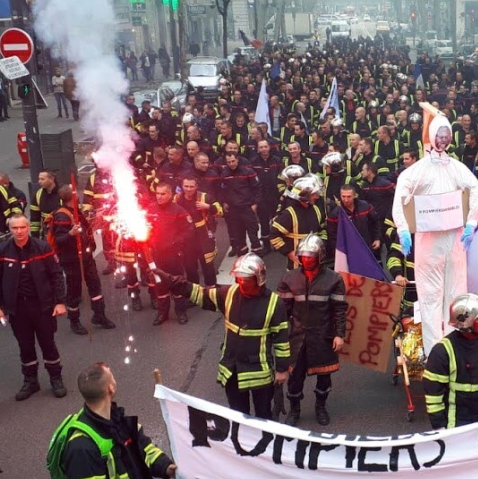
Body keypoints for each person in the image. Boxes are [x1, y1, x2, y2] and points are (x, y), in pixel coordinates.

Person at [392, 108, 478, 355]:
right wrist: (403, 228)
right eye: (439, 134)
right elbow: (400, 194)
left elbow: (476, 190)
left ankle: (456, 347)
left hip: (455, 242)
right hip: (429, 244)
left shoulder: (456, 167)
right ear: (432, 135)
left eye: (447, 135)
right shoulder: (418, 170)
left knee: (456, 295)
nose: (443, 139)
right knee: (430, 297)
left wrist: (471, 223)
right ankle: (436, 354)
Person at [167, 254, 290, 420]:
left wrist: (282, 369)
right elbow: (202, 295)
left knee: (263, 417)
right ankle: (241, 445)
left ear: (259, 279)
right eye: (239, 279)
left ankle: (264, 443)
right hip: (233, 369)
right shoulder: (229, 293)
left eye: (246, 280)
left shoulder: (275, 303)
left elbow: (281, 339)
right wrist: (180, 286)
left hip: (259, 372)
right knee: (238, 416)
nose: (242, 284)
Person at [0, 214, 67, 400]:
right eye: (15, 228)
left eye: (22, 227)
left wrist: (59, 301)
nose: (19, 231)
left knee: (48, 344)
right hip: (17, 308)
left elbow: (56, 275)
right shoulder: (1, 251)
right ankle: (31, 381)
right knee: (25, 346)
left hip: (43, 306)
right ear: (10, 229)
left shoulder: (43, 247)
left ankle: (55, 378)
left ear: (28, 227)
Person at [276, 235, 346, 427]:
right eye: (304, 256)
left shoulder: (334, 279)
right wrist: (277, 336)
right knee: (295, 378)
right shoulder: (289, 278)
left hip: (323, 336)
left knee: (324, 377)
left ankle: (320, 407)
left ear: (319, 256)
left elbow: (339, 309)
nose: (307, 260)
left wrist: (340, 334)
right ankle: (294, 410)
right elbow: (281, 311)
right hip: (297, 338)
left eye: (311, 256)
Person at [422, 294, 478, 428]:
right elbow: (433, 394)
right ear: (464, 320)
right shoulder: (442, 351)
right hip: (456, 418)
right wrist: (439, 426)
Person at [50, 185, 115, 335]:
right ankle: (74, 321)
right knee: (74, 291)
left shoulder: (75, 211)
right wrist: (71, 234)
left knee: (95, 286)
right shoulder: (62, 216)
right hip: (72, 260)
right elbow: (59, 239)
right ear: (73, 197)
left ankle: (99, 315)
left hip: (86, 257)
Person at [147, 182, 193, 326]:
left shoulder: (179, 211)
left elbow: (189, 230)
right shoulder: (150, 209)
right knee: (160, 286)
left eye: (163, 194)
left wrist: (175, 243)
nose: (159, 197)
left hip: (173, 255)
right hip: (155, 256)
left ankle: (181, 312)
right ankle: (163, 313)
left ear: (170, 194)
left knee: (177, 284)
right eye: (157, 194)